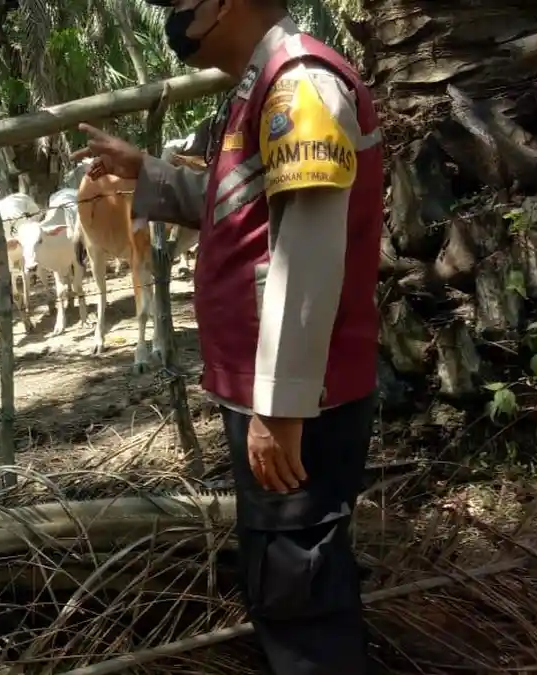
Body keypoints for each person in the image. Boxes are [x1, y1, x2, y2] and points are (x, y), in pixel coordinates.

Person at [73, 1, 383, 673]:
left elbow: (306, 249)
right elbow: (240, 207)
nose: (177, 13)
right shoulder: (265, 86)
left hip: (303, 397)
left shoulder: (299, 84)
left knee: (300, 593)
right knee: (287, 577)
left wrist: (280, 406)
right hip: (284, 391)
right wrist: (147, 172)